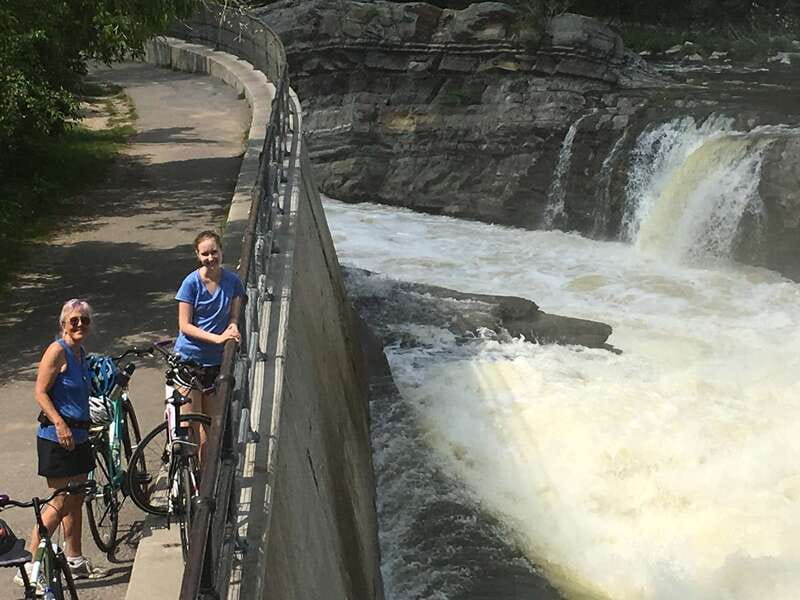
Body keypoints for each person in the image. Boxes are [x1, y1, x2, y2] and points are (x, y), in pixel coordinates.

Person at [15, 299, 107, 589]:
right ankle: (30, 566)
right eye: (74, 320)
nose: (79, 324)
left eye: (85, 320)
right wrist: (59, 422)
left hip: (79, 436)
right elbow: (40, 392)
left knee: (77, 499)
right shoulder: (58, 351)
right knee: (60, 501)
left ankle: (74, 558)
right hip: (57, 437)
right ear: (63, 324)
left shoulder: (81, 354)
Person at [173, 231, 244, 460]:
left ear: (221, 251)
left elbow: (233, 316)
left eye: (214, 252)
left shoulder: (233, 282)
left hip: (215, 364)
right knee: (192, 428)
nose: (210, 258)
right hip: (189, 361)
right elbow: (185, 325)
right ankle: (187, 482)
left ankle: (204, 487)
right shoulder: (190, 283)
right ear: (197, 255)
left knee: (212, 429)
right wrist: (218, 338)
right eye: (205, 254)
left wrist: (232, 328)